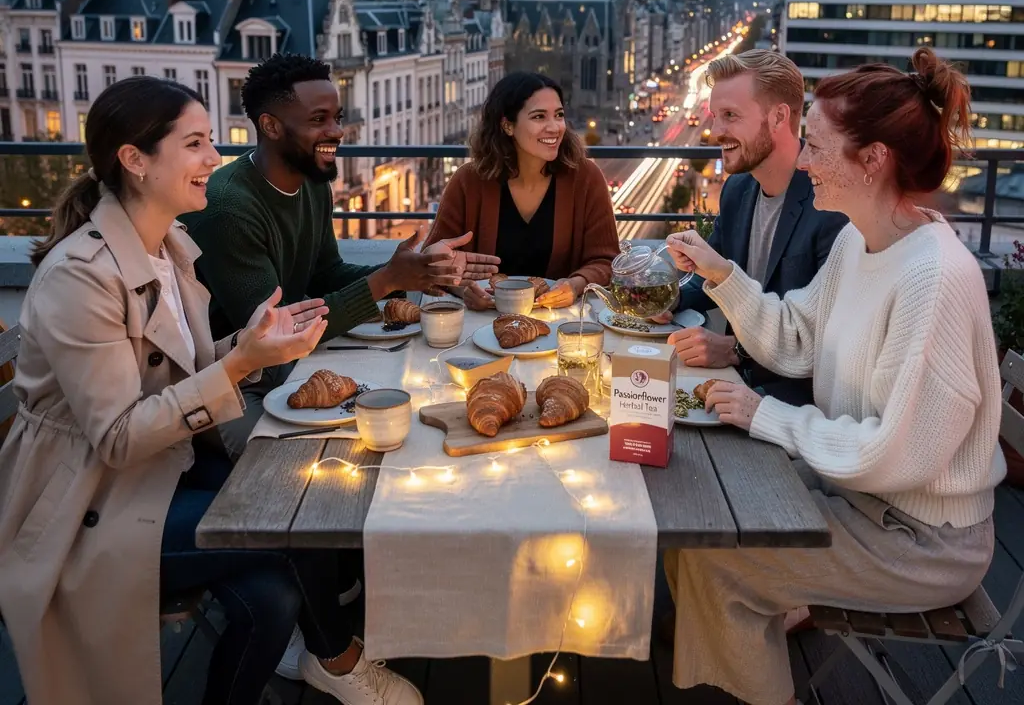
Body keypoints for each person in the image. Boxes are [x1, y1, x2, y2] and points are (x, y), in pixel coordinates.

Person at [0, 76, 423, 705]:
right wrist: (237, 365)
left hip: (162, 471)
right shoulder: (80, 279)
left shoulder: (170, 248)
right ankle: (337, 659)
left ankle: (321, 659)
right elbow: (116, 438)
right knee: (291, 518)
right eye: (195, 143)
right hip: (87, 507)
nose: (214, 160)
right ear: (135, 161)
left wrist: (250, 348)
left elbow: (181, 371)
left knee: (275, 589)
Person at [662, 49, 1005, 705]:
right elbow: (796, 342)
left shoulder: (933, 278)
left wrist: (765, 416)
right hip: (863, 500)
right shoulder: (861, 241)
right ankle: (757, 633)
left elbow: (890, 454)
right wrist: (721, 275)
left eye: (816, 145)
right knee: (702, 502)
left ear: (871, 160)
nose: (805, 161)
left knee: (709, 553)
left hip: (921, 542)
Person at [183, 53, 499, 458]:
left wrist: (417, 274)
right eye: (319, 120)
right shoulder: (229, 208)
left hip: (293, 370)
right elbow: (273, 333)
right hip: (234, 387)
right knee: (316, 465)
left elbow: (327, 273)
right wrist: (388, 279)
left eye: (337, 117)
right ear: (270, 126)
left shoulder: (313, 183)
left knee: (408, 428)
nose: (338, 130)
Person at [669, 50, 846, 406]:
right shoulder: (738, 189)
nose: (716, 132)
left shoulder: (831, 207)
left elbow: (827, 342)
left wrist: (735, 351)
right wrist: (667, 300)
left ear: (779, 116)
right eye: (714, 117)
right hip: (734, 388)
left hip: (793, 404)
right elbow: (716, 277)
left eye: (730, 116)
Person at [425, 71, 619, 310]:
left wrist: (576, 285)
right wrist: (463, 289)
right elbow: (432, 264)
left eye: (559, 115)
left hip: (559, 325)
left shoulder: (586, 177)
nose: (555, 127)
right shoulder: (469, 181)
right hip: (479, 327)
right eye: (539, 117)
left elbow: (606, 261)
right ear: (507, 125)